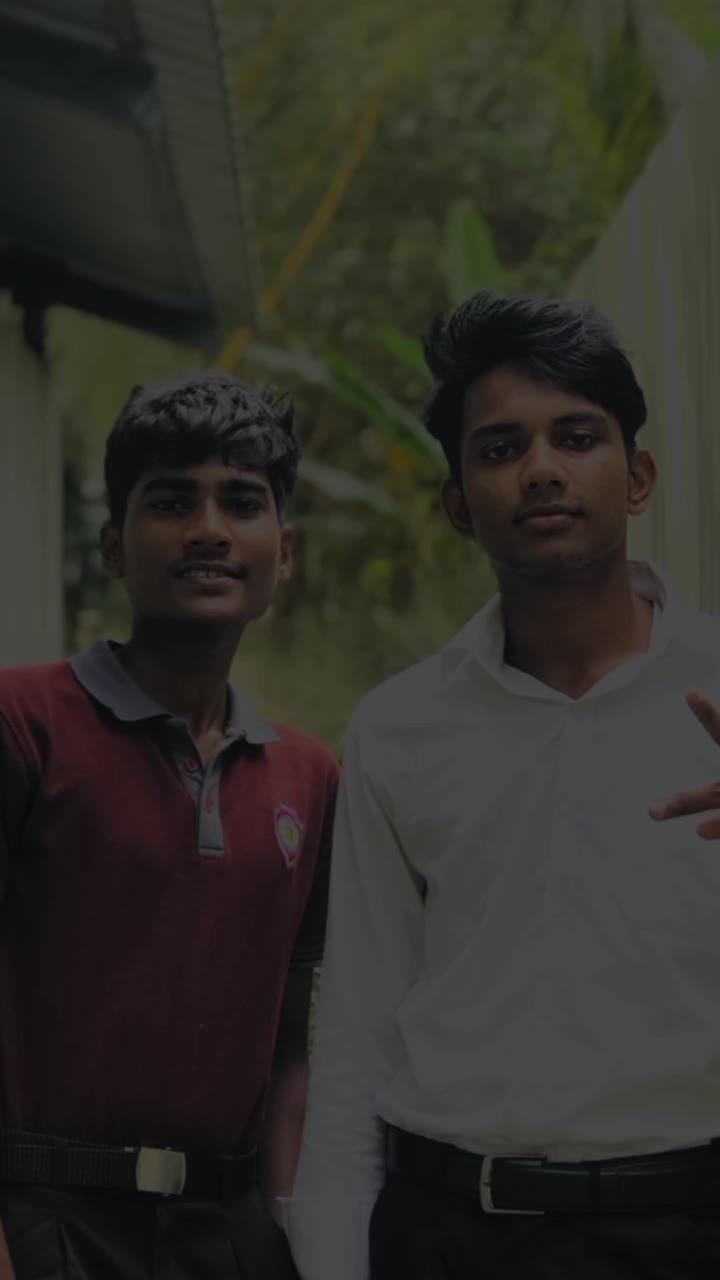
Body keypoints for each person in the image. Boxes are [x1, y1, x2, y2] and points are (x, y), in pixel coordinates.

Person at [287, 292, 720, 1280]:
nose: (543, 469)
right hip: (451, 1233)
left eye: (578, 436)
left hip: (688, 1228)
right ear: (457, 503)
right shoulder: (399, 727)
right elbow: (358, 1029)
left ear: (639, 476)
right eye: (500, 447)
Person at [0, 373, 338, 1279]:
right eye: (171, 501)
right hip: (46, 1223)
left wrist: (290, 1236)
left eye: (242, 502)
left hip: (229, 1233)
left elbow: (292, 1048)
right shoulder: (23, 723)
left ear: (285, 551)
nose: (209, 530)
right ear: (115, 545)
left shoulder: (310, 777)